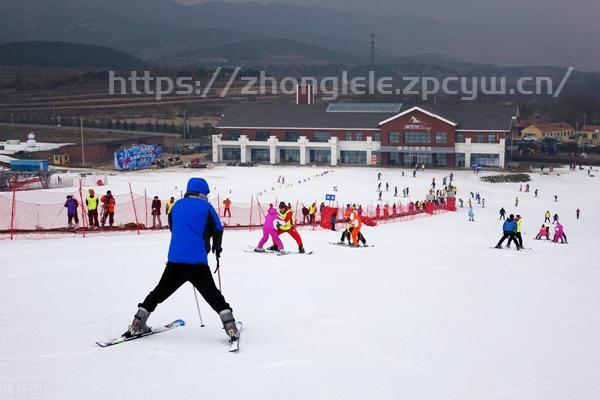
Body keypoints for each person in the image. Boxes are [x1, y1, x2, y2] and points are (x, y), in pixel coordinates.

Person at [124, 178, 239, 345]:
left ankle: (137, 322)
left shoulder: (177, 205)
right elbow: (218, 229)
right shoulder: (206, 207)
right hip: (197, 263)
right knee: (214, 296)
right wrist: (217, 247)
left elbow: (172, 226)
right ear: (203, 192)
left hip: (175, 261)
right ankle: (230, 326)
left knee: (158, 293)